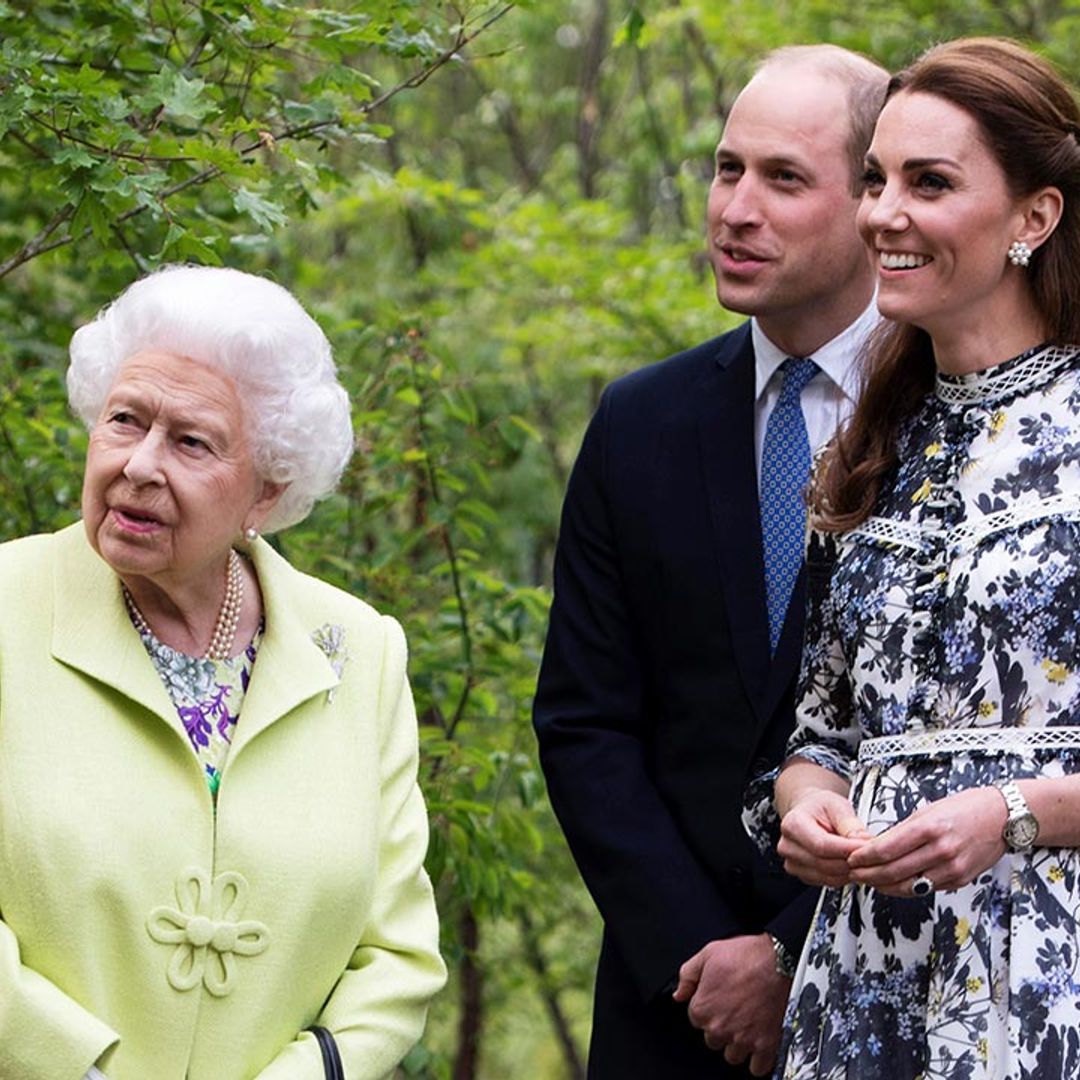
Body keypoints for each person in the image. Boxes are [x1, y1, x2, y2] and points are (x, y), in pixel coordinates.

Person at [533, 45, 888, 1077]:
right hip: (671, 1009)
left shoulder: (954, 429)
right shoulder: (639, 420)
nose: (735, 208)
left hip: (891, 986)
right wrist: (708, 960)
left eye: (783, 178)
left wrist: (789, 950)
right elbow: (584, 720)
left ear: (875, 200)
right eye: (727, 169)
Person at [0, 265, 447, 1080]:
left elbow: (398, 955)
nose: (139, 465)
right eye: (125, 420)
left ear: (266, 492)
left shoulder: (359, 649)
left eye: (191, 441)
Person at [744, 36, 1080, 1077]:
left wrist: (1016, 813)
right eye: (877, 180)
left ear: (1035, 216)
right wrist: (809, 810)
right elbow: (820, 729)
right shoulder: (874, 444)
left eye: (929, 184)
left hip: (1047, 972)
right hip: (861, 980)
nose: (884, 214)